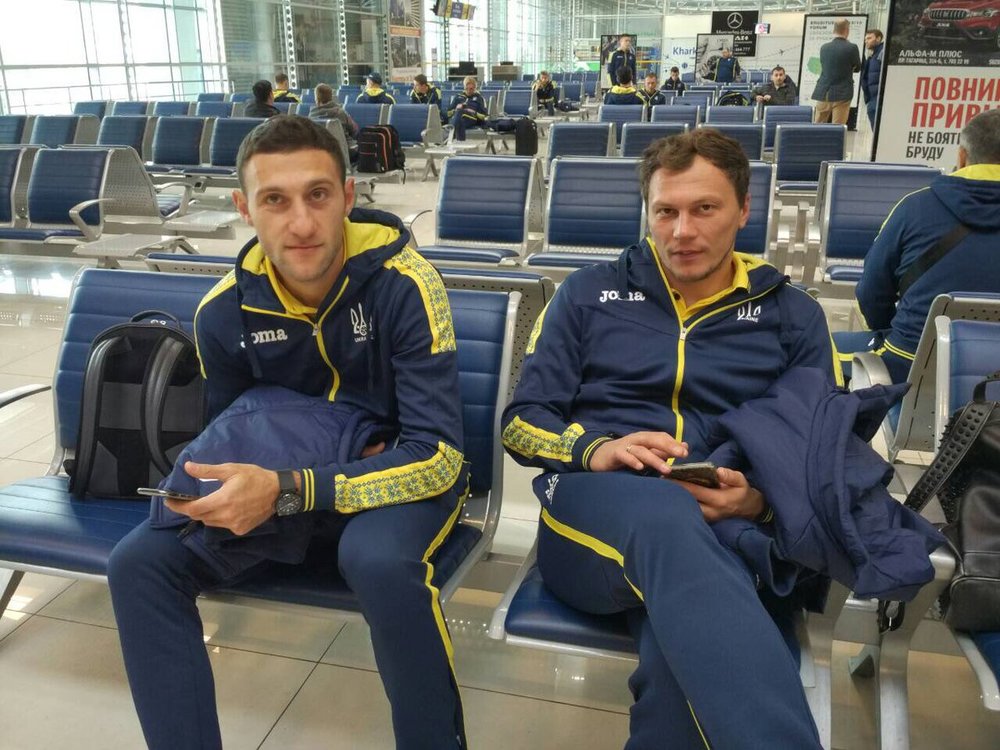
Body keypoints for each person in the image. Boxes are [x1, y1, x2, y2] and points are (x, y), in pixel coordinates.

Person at [106, 116, 469, 750]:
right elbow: (234, 435)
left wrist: (293, 488)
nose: (301, 223)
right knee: (138, 563)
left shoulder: (407, 287)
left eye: (317, 195)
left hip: (395, 487)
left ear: (348, 197)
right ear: (245, 208)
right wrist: (248, 492)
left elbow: (437, 457)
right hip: (288, 482)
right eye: (275, 200)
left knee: (377, 559)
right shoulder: (223, 311)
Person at [502, 128, 839, 749]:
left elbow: (824, 455)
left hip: (727, 531)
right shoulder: (586, 295)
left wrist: (758, 501)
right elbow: (522, 422)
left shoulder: (792, 317)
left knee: (675, 675)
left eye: (704, 208)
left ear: (744, 209)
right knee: (663, 514)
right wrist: (596, 448)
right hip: (593, 522)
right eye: (666, 212)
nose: (682, 231)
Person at [833, 109, 1000, 383]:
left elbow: (872, 293)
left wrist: (890, 330)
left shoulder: (915, 208)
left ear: (961, 157)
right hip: (994, 378)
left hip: (912, 364)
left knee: (819, 349)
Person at [812, 19, 862, 125]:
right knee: (838, 127)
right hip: (842, 93)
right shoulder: (852, 47)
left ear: (834, 30)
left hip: (824, 91)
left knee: (818, 125)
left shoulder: (824, 47)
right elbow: (858, 67)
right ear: (847, 30)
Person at [308, 83, 359, 163]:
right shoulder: (340, 112)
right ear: (331, 97)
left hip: (320, 151)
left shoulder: (311, 115)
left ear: (316, 98)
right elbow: (354, 129)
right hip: (345, 150)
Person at [447, 75, 488, 141]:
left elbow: (484, 116)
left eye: (471, 89)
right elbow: (448, 114)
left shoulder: (479, 98)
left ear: (475, 88)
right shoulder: (458, 97)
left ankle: (447, 136)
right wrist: (456, 109)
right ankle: (460, 142)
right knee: (460, 118)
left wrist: (473, 112)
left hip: (471, 118)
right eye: (466, 88)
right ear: (464, 87)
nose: (468, 91)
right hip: (458, 118)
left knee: (460, 113)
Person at [860, 29, 885, 128]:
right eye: (866, 39)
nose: (866, 41)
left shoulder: (882, 52)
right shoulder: (873, 56)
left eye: (869, 38)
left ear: (878, 38)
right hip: (872, 98)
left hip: (878, 99)